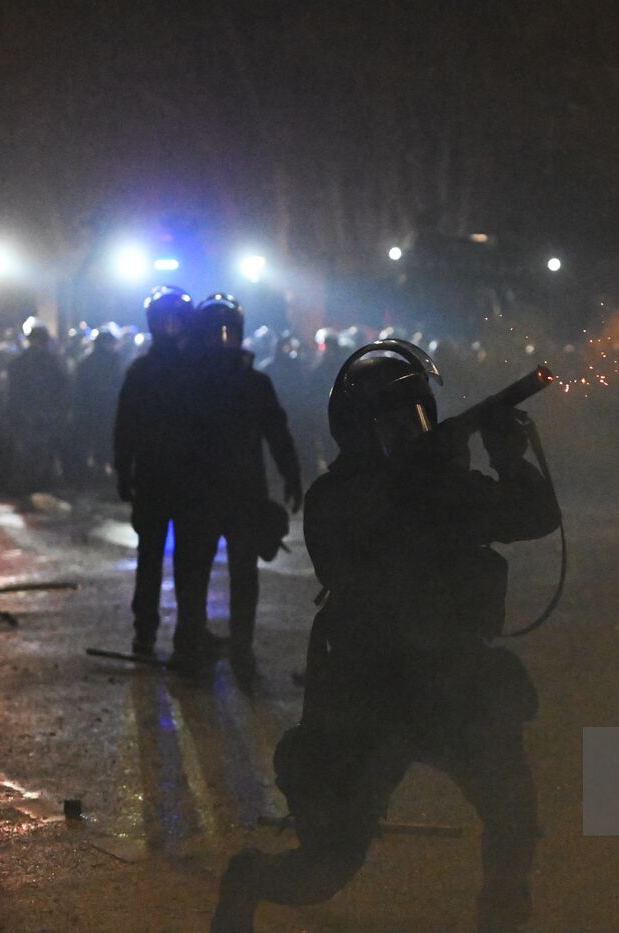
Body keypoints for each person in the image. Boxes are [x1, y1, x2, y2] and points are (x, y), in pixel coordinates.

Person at [211, 339, 560, 932]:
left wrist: (505, 456)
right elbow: (385, 535)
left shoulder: (438, 485)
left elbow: (534, 516)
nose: (412, 433)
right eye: (395, 422)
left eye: (420, 418)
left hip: (451, 676)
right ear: (356, 430)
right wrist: (457, 473)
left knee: (512, 813)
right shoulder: (340, 496)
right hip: (366, 689)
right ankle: (250, 881)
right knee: (328, 866)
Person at [171, 294, 302, 669]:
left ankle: (231, 644)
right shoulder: (199, 381)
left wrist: (291, 473)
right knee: (200, 573)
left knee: (234, 573)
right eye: (217, 333)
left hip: (231, 496)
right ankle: (195, 641)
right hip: (212, 495)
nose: (224, 339)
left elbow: (277, 432)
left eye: (229, 332)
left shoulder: (245, 382)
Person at [113, 287, 205, 657]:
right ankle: (149, 632)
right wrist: (123, 470)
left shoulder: (148, 370)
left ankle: (181, 634)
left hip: (172, 480)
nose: (170, 327)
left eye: (175, 320)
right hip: (160, 479)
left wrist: (124, 471)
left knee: (178, 561)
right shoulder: (147, 371)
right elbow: (125, 427)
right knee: (155, 560)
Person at [5, 319, 69, 491]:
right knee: (45, 450)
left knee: (27, 452)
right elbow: (64, 387)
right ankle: (43, 484)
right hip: (47, 414)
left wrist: (13, 413)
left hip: (26, 414)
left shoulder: (17, 362)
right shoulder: (54, 361)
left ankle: (28, 485)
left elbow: (12, 392)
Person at [71, 324, 125, 482]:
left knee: (95, 442)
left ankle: (97, 473)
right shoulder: (115, 361)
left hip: (91, 411)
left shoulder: (86, 362)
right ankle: (109, 475)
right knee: (110, 443)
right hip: (110, 410)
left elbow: (78, 389)